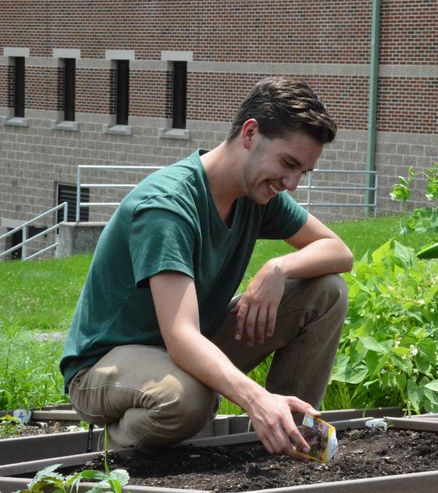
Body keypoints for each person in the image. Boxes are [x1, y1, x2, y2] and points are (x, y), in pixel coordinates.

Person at [60, 76, 353, 455]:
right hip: (105, 366)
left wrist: (278, 268)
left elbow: (338, 251)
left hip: (186, 347)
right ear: (250, 133)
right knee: (186, 400)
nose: (293, 183)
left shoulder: (257, 194)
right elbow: (181, 336)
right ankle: (111, 454)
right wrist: (255, 397)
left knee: (326, 292)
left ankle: (287, 439)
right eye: (288, 163)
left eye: (304, 173)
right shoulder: (167, 208)